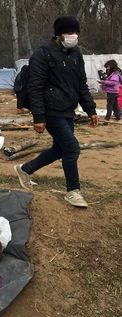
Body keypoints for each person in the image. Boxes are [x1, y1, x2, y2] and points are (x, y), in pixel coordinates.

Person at [14, 16, 98, 208]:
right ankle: (73, 191)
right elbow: (35, 87)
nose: (73, 36)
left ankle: (25, 170)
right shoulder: (43, 54)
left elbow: (81, 84)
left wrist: (91, 109)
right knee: (72, 148)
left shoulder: (76, 54)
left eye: (75, 32)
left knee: (60, 149)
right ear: (59, 34)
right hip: (50, 110)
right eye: (69, 33)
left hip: (68, 109)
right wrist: (39, 117)